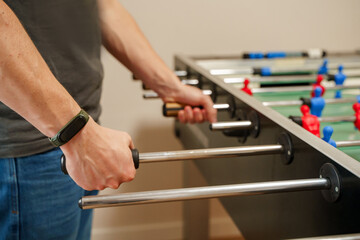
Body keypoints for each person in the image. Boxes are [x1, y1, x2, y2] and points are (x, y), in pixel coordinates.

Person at [0, 0, 217, 239]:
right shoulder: (72, 135)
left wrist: (169, 86)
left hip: (77, 130)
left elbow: (102, 5)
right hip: (30, 148)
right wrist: (77, 133)